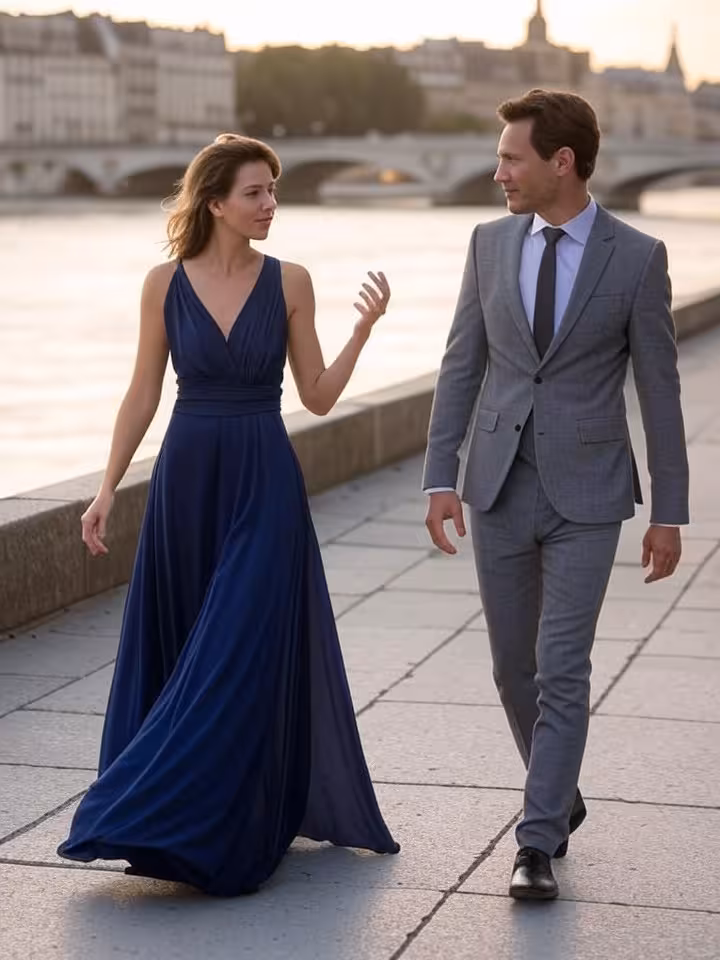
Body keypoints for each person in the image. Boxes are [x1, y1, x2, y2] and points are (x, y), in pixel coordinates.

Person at [57, 133, 399, 896]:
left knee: (235, 649)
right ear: (214, 202)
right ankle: (178, 824)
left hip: (263, 480)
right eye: (255, 192)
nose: (270, 204)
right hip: (186, 479)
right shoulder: (162, 283)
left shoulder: (291, 281)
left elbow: (317, 395)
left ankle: (223, 823)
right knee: (189, 644)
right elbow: (143, 392)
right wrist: (107, 488)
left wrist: (361, 332)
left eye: (273, 190)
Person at [423, 90, 689, 901]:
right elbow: (461, 365)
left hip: (589, 494)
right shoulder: (488, 243)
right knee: (514, 668)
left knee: (562, 667)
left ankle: (535, 842)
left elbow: (660, 390)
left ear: (561, 162)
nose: (498, 171)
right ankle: (560, 791)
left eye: (512, 158)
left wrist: (669, 512)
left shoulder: (636, 257)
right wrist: (440, 476)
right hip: (498, 484)